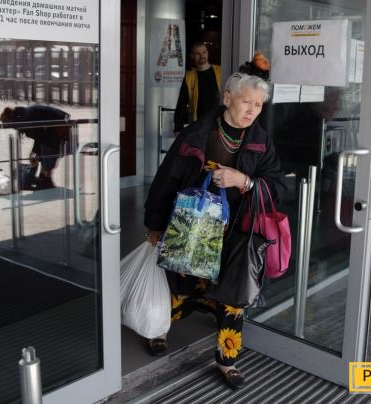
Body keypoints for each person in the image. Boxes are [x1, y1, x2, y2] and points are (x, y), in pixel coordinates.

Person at [144, 52, 286, 389]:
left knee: (231, 297)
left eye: (258, 105)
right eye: (246, 102)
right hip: (191, 224)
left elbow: (278, 187)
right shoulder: (196, 135)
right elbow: (166, 180)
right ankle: (159, 329)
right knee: (179, 284)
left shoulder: (260, 142)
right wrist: (155, 225)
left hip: (236, 232)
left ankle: (227, 360)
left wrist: (243, 181)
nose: (252, 110)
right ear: (227, 99)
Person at [0, 104, 70, 189]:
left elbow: (40, 135)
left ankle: (47, 178)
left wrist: (34, 151)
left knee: (49, 149)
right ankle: (43, 176)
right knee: (43, 150)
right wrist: (35, 151)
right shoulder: (22, 116)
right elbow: (39, 135)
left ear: (11, 121)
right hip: (52, 127)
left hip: (59, 125)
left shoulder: (25, 119)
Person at [173, 42, 222, 133]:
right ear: (192, 56)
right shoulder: (189, 77)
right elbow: (182, 103)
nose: (202, 56)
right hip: (198, 125)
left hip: (219, 125)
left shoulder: (220, 71)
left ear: (207, 53)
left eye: (204, 52)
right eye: (197, 54)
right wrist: (178, 127)